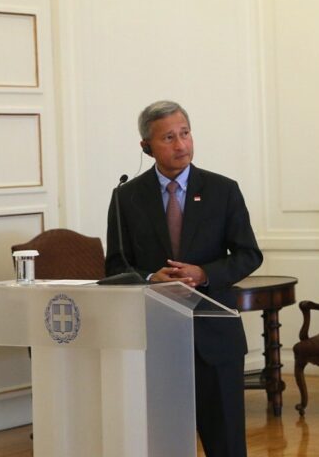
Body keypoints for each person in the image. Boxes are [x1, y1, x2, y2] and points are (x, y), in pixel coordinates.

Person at [106, 100, 262, 457]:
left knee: (226, 444)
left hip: (215, 338)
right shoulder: (126, 197)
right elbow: (115, 265)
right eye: (169, 138)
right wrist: (150, 278)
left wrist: (204, 273)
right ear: (146, 146)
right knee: (162, 443)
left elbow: (249, 254)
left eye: (185, 134)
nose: (181, 145)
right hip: (155, 339)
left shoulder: (223, 190)